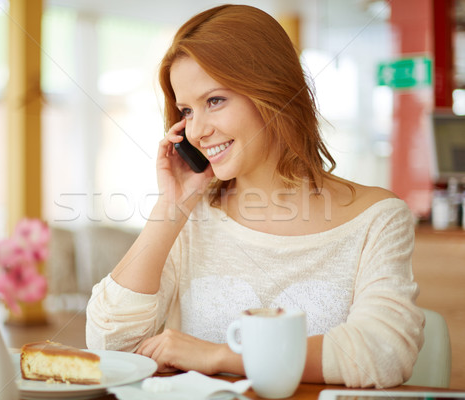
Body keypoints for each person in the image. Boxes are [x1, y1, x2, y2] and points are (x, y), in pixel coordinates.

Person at [86, 4, 424, 388]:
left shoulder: (378, 217)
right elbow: (108, 343)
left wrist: (221, 357)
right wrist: (172, 207)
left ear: (272, 92)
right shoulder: (190, 218)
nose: (196, 131)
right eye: (186, 110)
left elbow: (384, 351)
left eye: (214, 101)